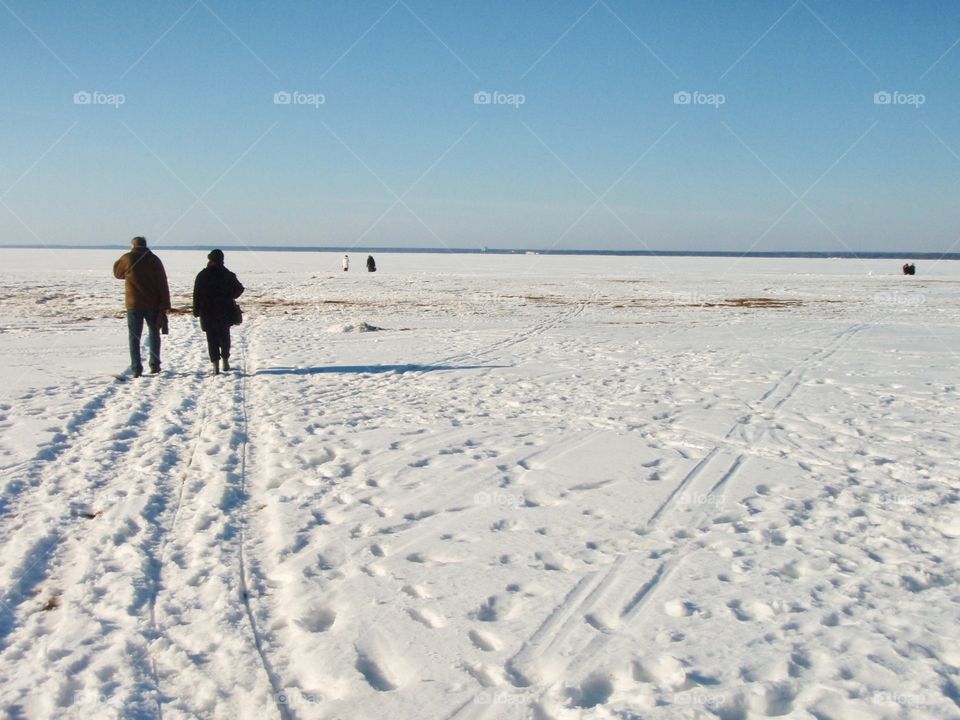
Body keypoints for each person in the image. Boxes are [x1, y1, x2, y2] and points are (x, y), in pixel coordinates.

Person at [113, 236, 171, 378]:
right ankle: (155, 365)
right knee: (154, 334)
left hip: (134, 304)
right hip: (153, 304)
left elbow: (117, 273)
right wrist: (165, 304)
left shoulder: (128, 258)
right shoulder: (155, 260)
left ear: (133, 245)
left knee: (134, 337)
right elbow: (163, 283)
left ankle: (136, 368)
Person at [192, 249, 244, 375]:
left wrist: (196, 310)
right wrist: (229, 296)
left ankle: (215, 364)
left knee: (211, 338)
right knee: (225, 336)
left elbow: (196, 294)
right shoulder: (228, 274)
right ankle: (225, 360)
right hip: (224, 310)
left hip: (207, 311)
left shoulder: (202, 275)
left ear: (209, 260)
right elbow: (239, 289)